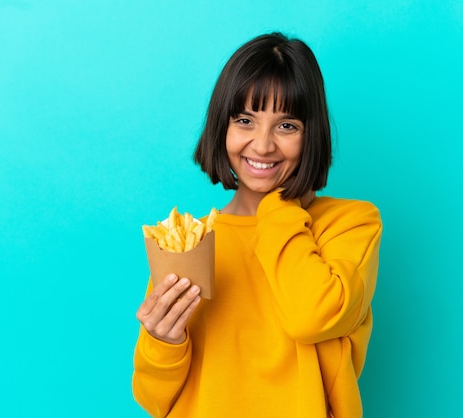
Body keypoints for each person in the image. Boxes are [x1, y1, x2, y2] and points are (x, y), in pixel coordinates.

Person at [132, 32, 382, 418]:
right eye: (245, 120)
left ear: (311, 134)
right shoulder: (191, 240)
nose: (263, 145)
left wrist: (277, 205)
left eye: (287, 126)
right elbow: (154, 399)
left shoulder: (350, 224)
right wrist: (162, 339)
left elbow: (311, 317)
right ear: (222, 127)